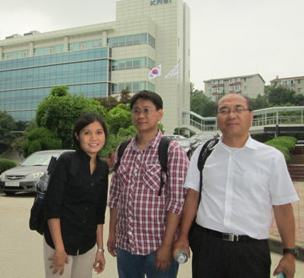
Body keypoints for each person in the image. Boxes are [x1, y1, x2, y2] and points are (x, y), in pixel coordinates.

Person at [173, 93, 300, 278]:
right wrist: (183, 237)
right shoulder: (203, 153)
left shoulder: (271, 158)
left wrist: (289, 253)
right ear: (217, 118)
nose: (231, 115)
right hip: (208, 247)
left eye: (238, 109)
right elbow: (192, 197)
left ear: (251, 115)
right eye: (224, 110)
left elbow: (282, 207)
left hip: (250, 252)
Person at [107, 90, 189, 278]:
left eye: (146, 110)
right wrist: (112, 234)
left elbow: (176, 202)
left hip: (157, 246)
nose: (141, 116)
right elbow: (115, 197)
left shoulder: (171, 151)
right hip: (126, 245)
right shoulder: (123, 149)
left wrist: (167, 246)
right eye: (136, 111)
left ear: (159, 114)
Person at [43, 112, 109, 278]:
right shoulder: (66, 161)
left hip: (86, 244)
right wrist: (59, 249)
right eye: (87, 132)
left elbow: (99, 213)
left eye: (99, 132)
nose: (94, 138)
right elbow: (52, 208)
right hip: (59, 242)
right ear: (77, 136)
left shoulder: (103, 168)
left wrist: (100, 249)